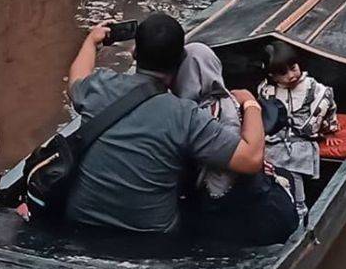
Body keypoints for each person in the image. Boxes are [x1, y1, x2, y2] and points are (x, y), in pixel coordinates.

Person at [64, 13, 265, 234]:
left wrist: (92, 41)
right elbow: (251, 158)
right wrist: (250, 103)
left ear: (134, 54)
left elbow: (76, 79)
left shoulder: (99, 86)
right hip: (149, 238)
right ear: (181, 62)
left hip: (81, 221)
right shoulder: (186, 115)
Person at [174, 42, 297, 245]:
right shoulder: (230, 106)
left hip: (203, 213)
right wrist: (250, 102)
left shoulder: (175, 113)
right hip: (249, 214)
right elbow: (250, 158)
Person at [258, 44, 338, 224]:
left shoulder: (313, 88)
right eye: (283, 73)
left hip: (300, 139)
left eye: (293, 68)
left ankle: (300, 208)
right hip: (275, 139)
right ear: (272, 75)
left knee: (293, 164)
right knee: (265, 163)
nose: (291, 75)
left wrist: (330, 131)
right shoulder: (267, 90)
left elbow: (329, 107)